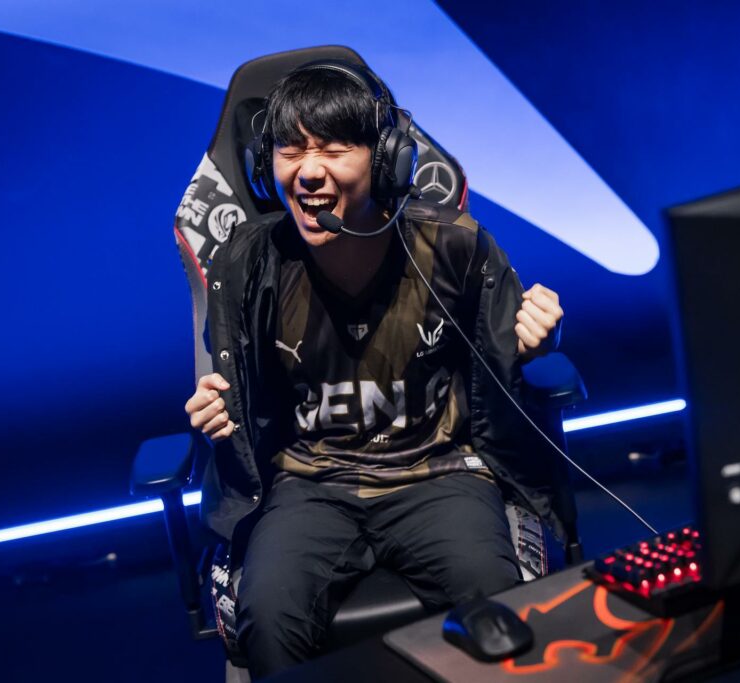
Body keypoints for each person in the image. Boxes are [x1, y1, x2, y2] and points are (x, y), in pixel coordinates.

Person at [184, 60, 566, 679]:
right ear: (267, 165)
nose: (309, 171)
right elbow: (236, 393)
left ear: (386, 160)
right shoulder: (248, 264)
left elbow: (507, 357)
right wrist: (216, 411)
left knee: (498, 606)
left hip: (438, 474)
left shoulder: (455, 247)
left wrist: (537, 341)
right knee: (269, 620)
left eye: (335, 149)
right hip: (308, 486)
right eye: (290, 151)